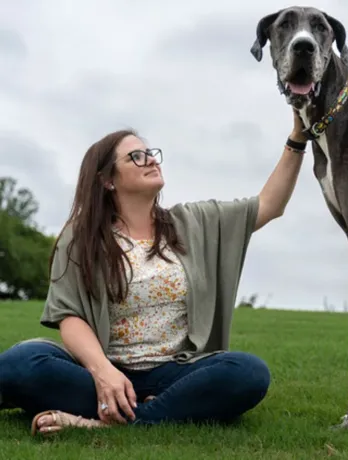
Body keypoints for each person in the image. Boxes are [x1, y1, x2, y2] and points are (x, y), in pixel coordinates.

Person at [0, 109, 309, 435]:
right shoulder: (81, 236)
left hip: (175, 372)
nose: (150, 160)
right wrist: (103, 373)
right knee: (21, 364)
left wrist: (298, 139)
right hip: (103, 370)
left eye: (150, 154)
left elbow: (269, 205)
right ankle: (150, 408)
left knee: (248, 373)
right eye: (136, 157)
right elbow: (69, 316)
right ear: (107, 179)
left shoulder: (193, 222)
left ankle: (104, 422)